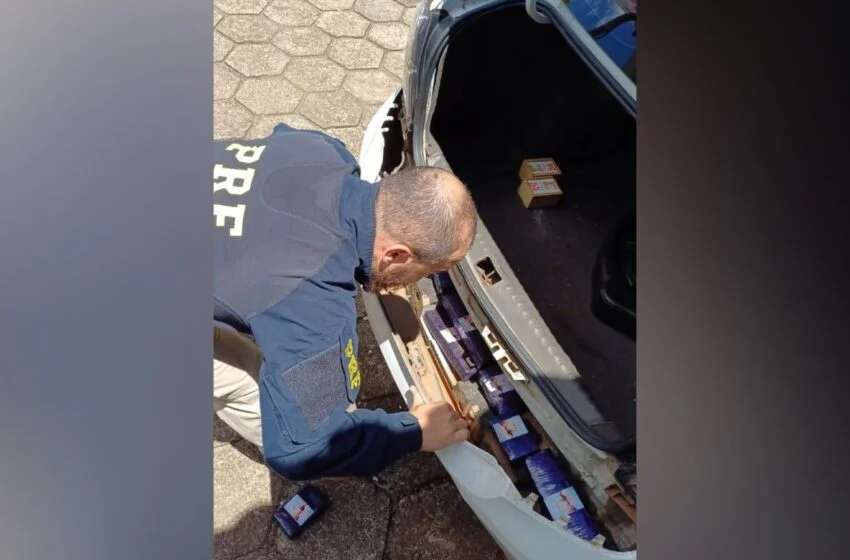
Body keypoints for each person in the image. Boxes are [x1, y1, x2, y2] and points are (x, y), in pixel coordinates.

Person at [213, 124, 477, 481]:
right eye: (426, 271)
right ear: (397, 255)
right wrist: (412, 431)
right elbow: (302, 451)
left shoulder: (322, 149)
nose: (418, 281)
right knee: (257, 386)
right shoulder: (312, 309)